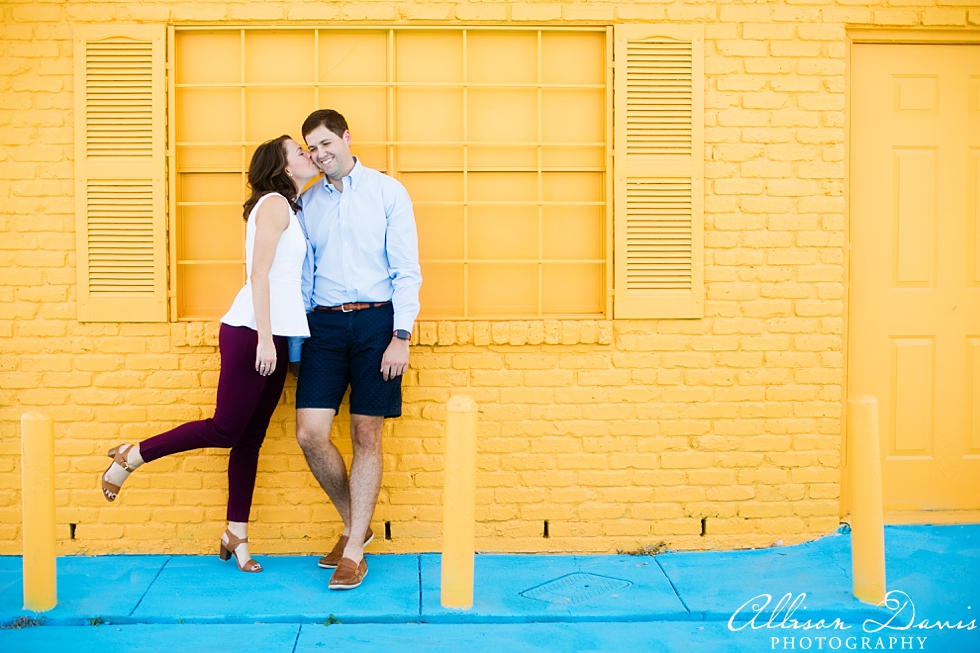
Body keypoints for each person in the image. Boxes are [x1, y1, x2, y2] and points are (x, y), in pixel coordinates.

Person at [99, 135, 321, 573]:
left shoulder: (289, 207)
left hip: (272, 333)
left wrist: (279, 340)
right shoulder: (275, 204)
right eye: (298, 151)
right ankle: (133, 455)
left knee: (250, 440)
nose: (307, 155)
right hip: (252, 332)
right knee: (225, 428)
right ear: (280, 166)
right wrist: (264, 338)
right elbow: (258, 275)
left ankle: (235, 533)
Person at [290, 109, 422, 590]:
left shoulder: (388, 192)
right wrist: (296, 342)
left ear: (346, 138)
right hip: (323, 327)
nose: (321, 154)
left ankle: (351, 551)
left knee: (367, 435)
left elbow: (407, 269)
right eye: (312, 148)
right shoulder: (307, 204)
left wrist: (400, 336)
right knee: (310, 433)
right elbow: (304, 276)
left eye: (327, 143)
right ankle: (357, 529)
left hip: (377, 323)